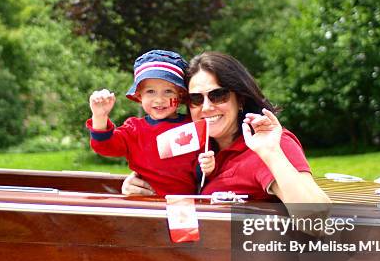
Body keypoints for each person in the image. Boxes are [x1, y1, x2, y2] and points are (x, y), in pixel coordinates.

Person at [122, 52, 330, 212]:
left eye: (218, 95)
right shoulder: (195, 149)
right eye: (195, 99)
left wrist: (271, 153)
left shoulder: (269, 144)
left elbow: (317, 219)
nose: (206, 107)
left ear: (239, 99)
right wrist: (137, 188)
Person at [86, 49, 215, 197]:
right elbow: (105, 146)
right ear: (139, 96)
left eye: (168, 91)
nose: (159, 99)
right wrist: (99, 116)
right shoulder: (134, 129)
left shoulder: (193, 127)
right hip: (144, 205)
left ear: (180, 96)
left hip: (183, 206)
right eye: (150, 92)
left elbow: (201, 172)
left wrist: (207, 167)